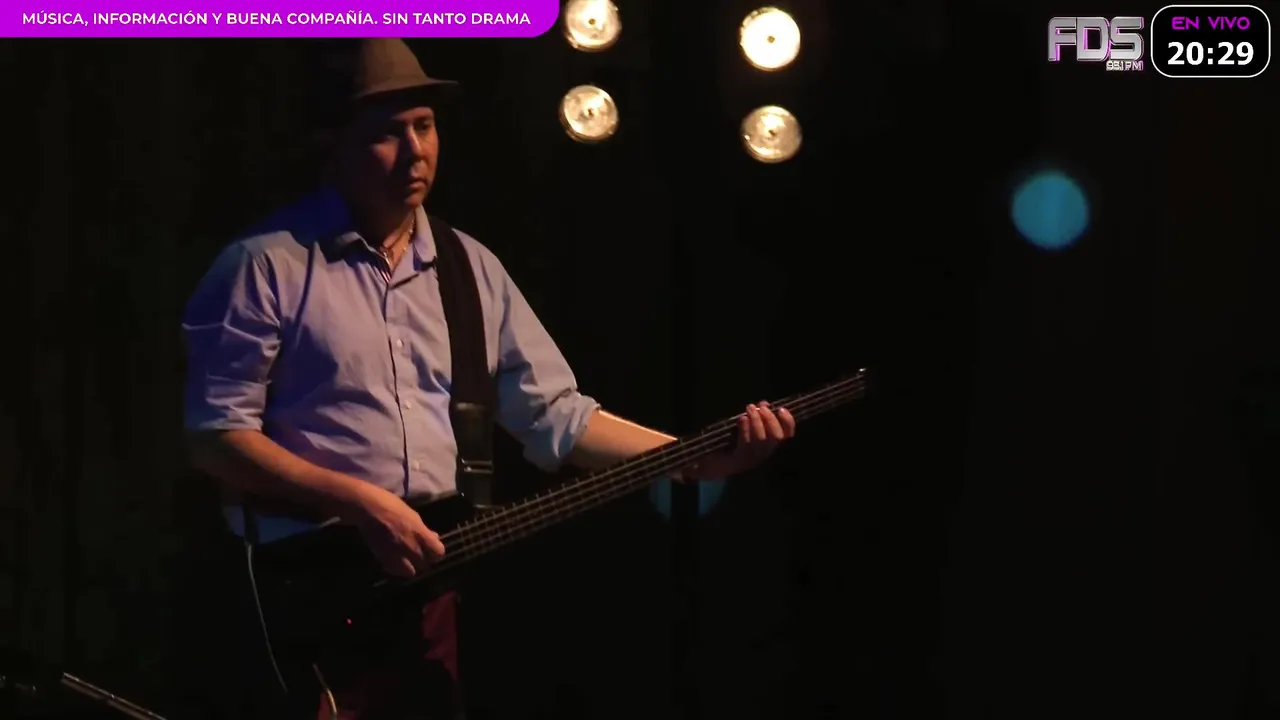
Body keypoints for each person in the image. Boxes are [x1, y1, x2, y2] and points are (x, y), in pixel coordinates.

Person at [181, 38, 794, 719]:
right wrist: (360, 503)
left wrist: (694, 458)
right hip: (306, 598)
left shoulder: (469, 267)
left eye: (425, 126)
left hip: (426, 596)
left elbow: (557, 416)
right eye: (387, 133)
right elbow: (215, 437)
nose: (415, 152)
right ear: (336, 143)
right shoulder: (265, 266)